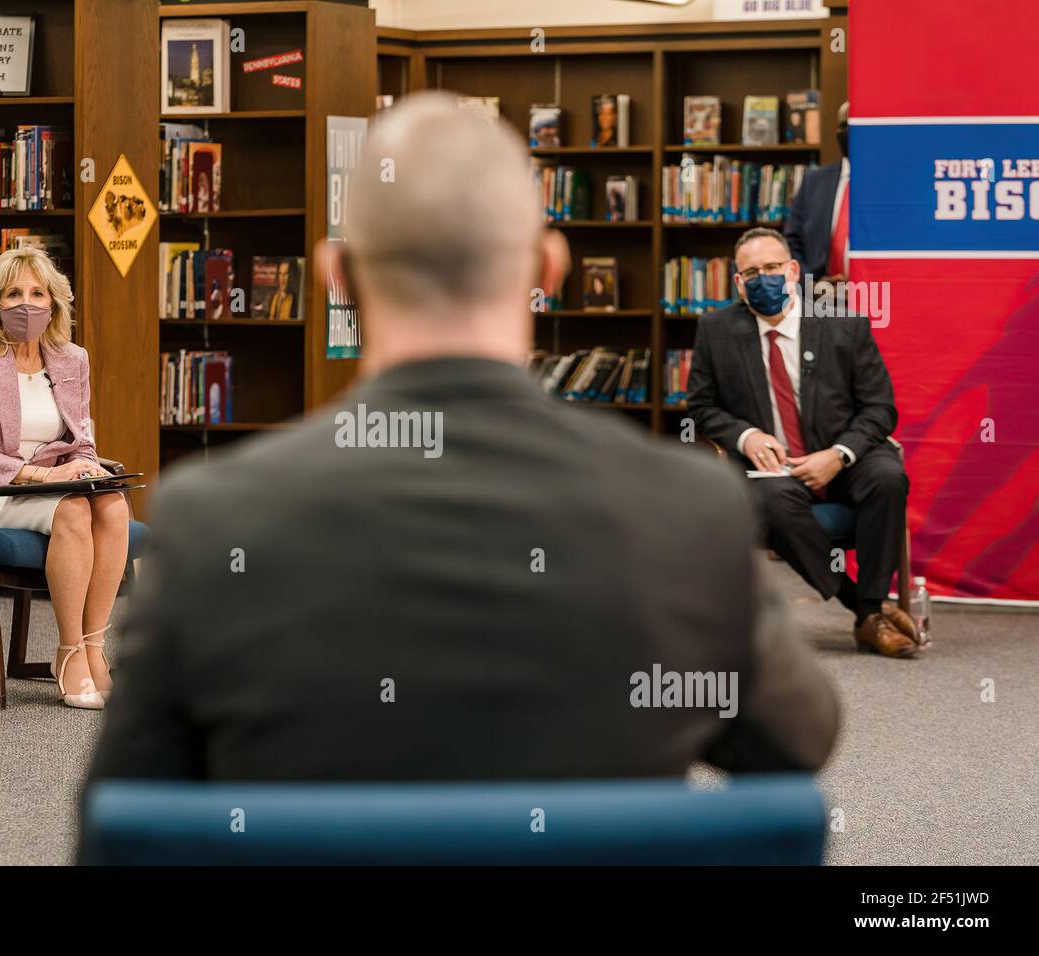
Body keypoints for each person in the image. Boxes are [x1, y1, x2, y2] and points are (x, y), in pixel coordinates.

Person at [86, 93, 839, 786]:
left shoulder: (212, 520)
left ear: (336, 277)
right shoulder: (686, 506)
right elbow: (798, 740)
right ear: (549, 267)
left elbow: (125, 823)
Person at [685, 227, 916, 658]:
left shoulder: (843, 323)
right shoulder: (716, 329)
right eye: (751, 272)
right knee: (770, 502)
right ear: (737, 282)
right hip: (772, 470)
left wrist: (838, 454)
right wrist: (746, 435)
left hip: (843, 458)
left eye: (772, 267)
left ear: (792, 271)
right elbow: (700, 405)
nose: (763, 278)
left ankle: (871, 608)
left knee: (888, 477)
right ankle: (867, 611)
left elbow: (880, 408)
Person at [0, 247, 130, 709]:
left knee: (114, 505)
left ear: (54, 302)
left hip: (56, 483)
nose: (26, 304)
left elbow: (81, 438)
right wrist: (36, 474)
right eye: (14, 293)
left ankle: (95, 650)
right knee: (74, 512)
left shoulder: (72, 358)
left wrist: (90, 466)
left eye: (37, 293)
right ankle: (69, 651)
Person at [785, 101, 850, 282]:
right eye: (844, 125)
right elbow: (791, 240)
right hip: (819, 295)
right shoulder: (814, 181)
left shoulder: (889, 184)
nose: (849, 131)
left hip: (876, 292)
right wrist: (811, 282)